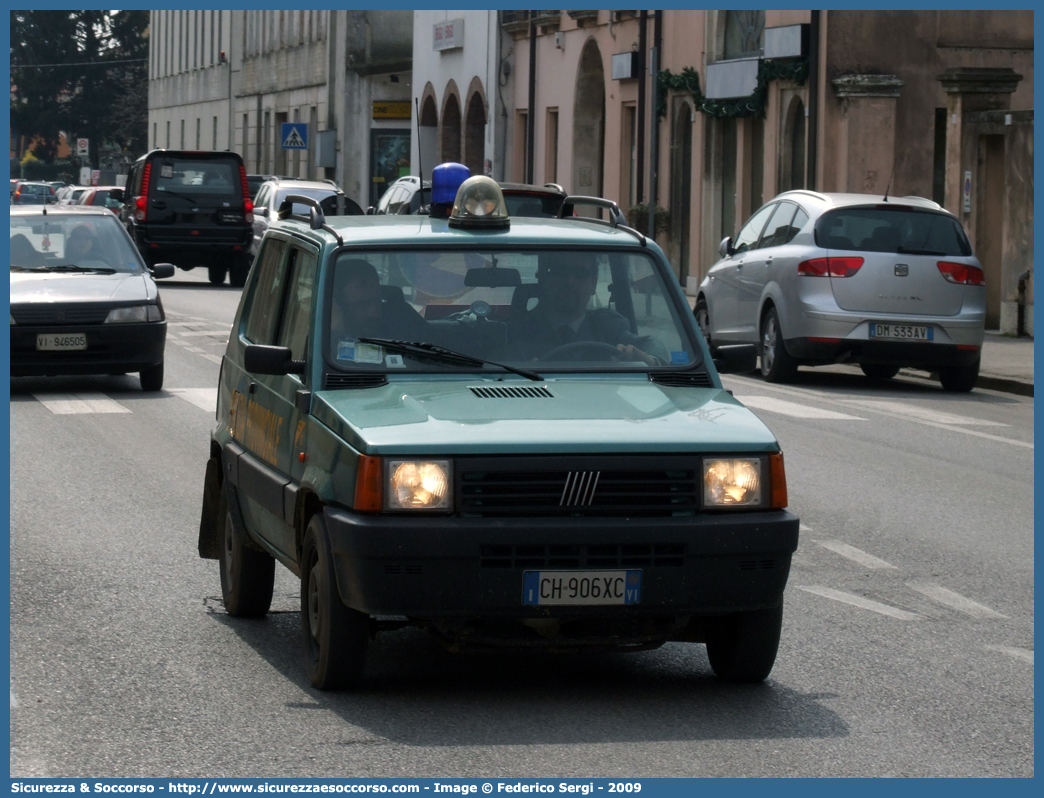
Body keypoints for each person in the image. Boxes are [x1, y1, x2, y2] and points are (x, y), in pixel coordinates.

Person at [505, 253, 668, 365]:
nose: (570, 280)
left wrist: (645, 359)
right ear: (543, 279)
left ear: (594, 283)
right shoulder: (517, 330)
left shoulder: (607, 327)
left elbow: (652, 344)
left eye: (580, 273)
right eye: (559, 271)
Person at [330, 259, 431, 358]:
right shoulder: (323, 339)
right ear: (338, 304)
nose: (374, 313)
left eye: (378, 301)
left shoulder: (402, 321)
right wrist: (336, 332)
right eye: (362, 305)